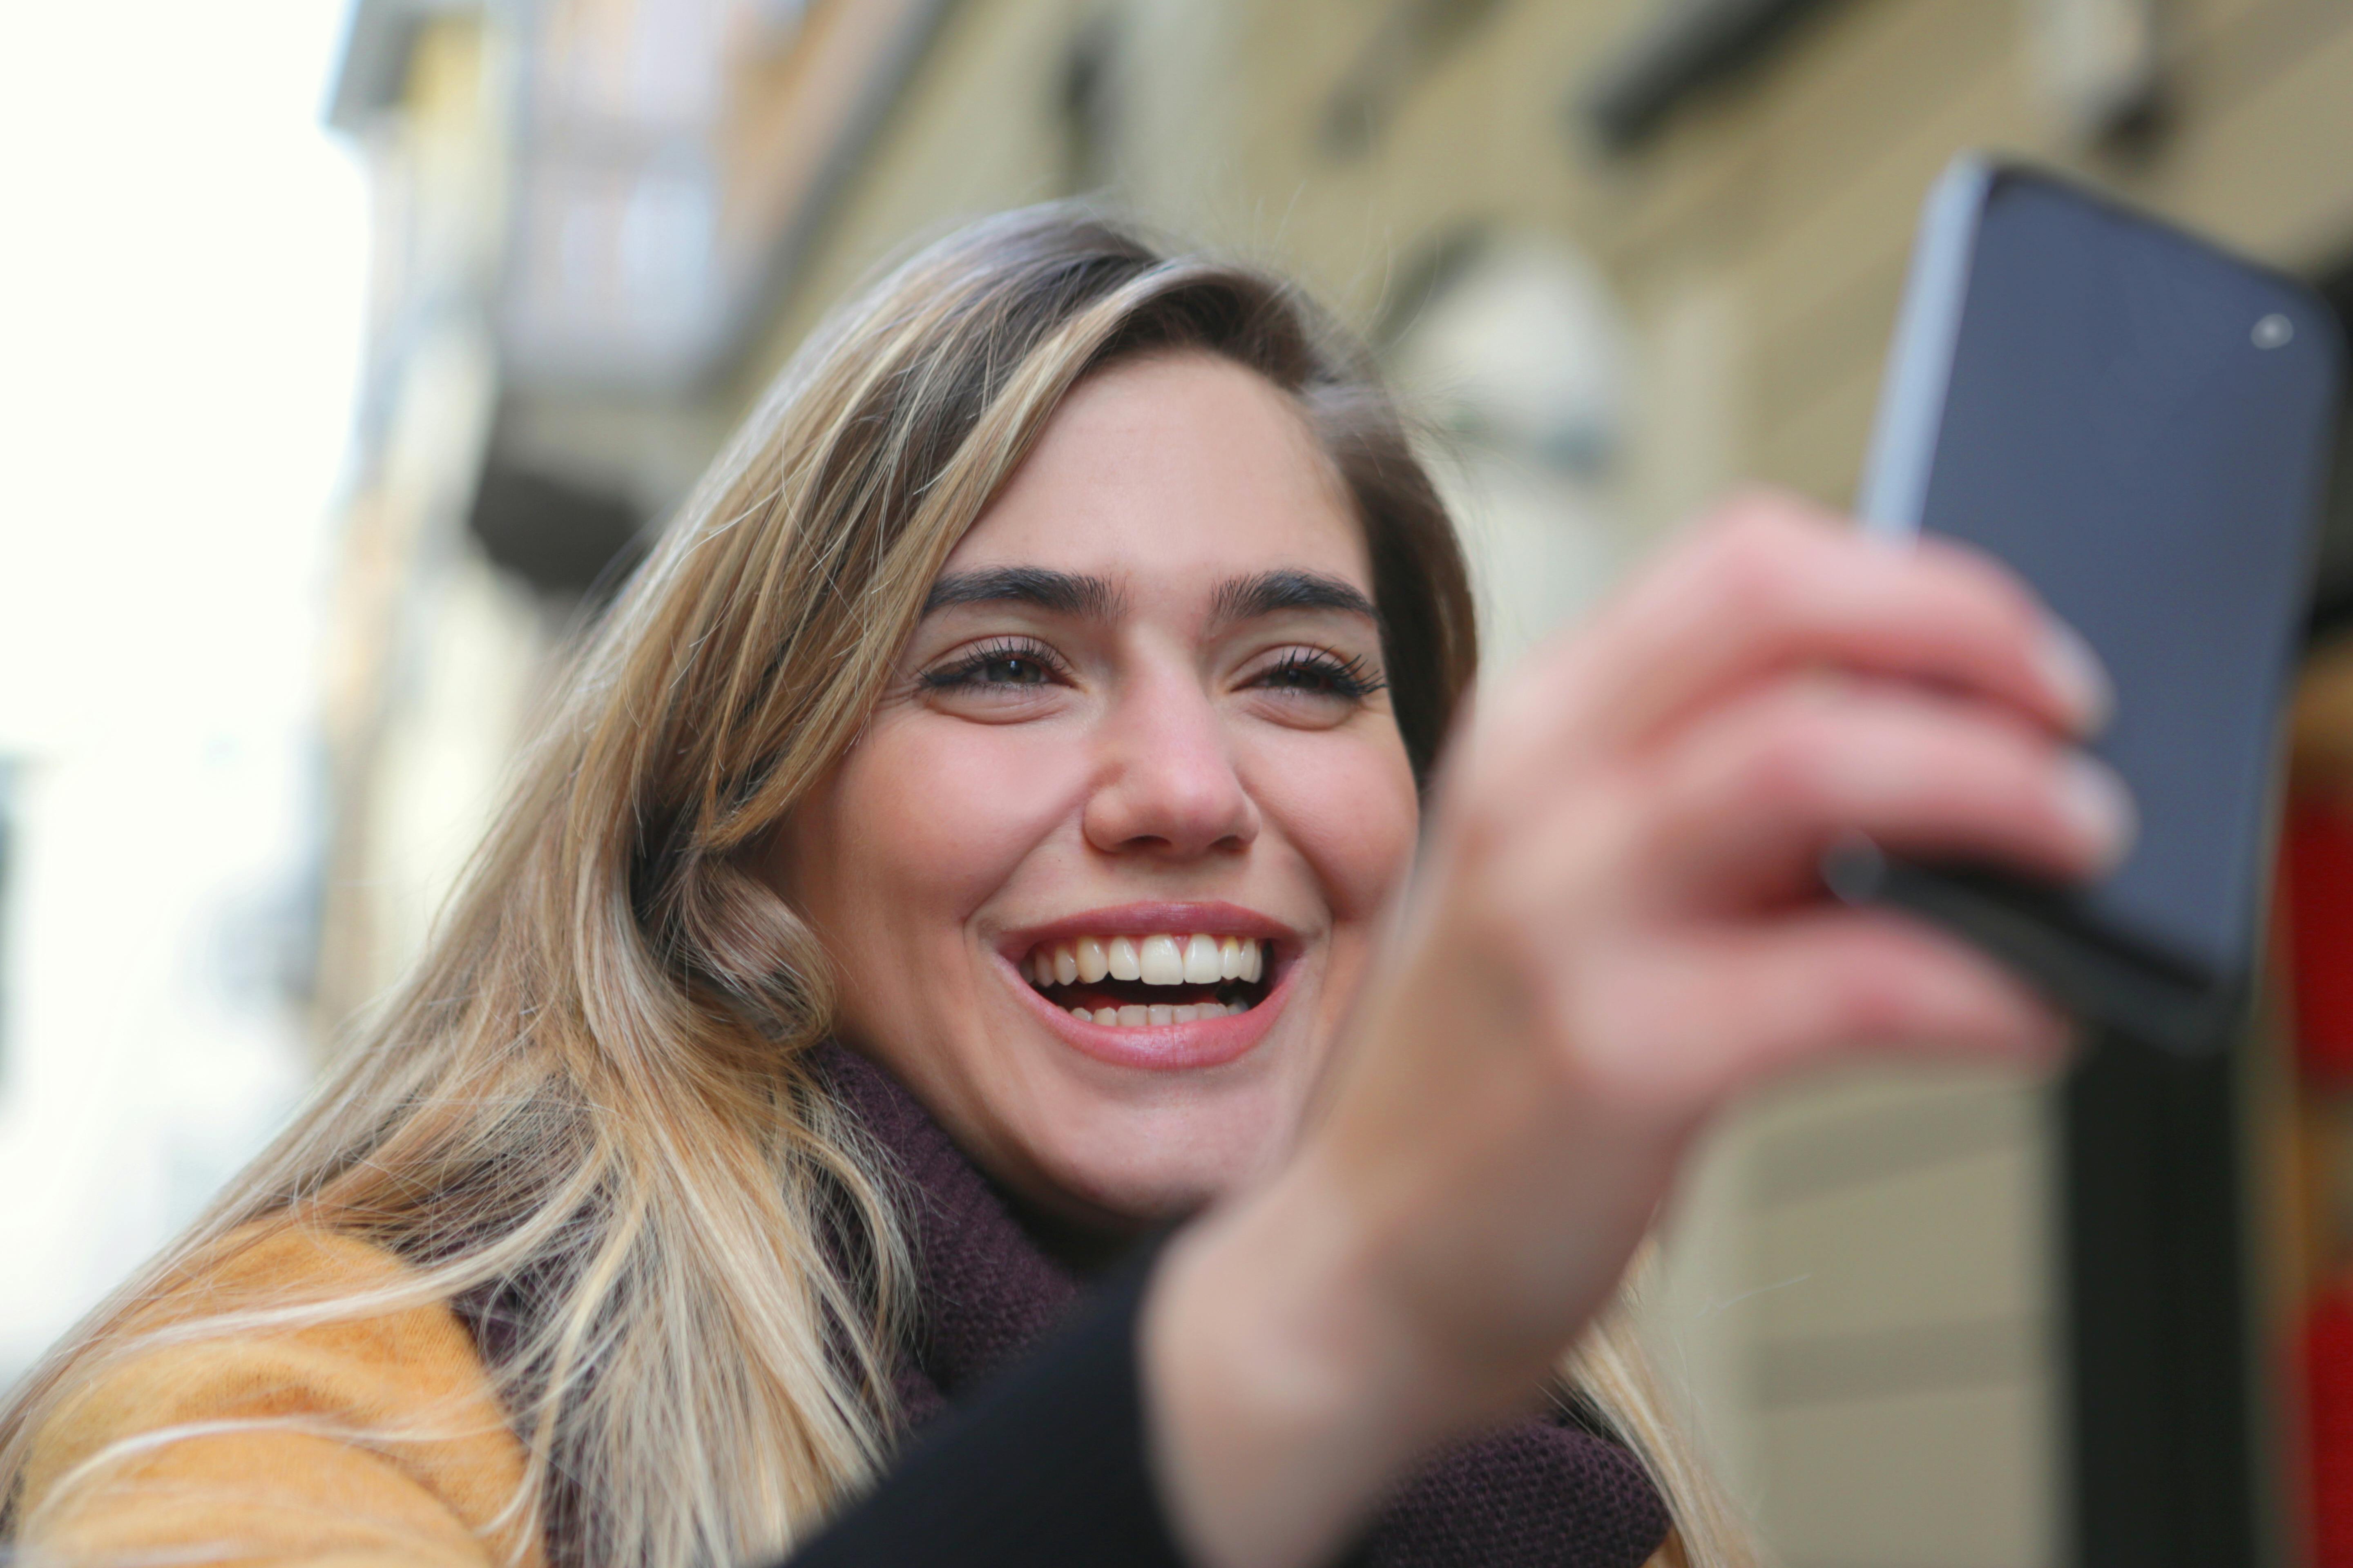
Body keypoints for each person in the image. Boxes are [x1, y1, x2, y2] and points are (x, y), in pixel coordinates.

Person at [0, 208, 2125, 1568]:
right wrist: (1326, 1331)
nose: (1190, 787)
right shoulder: (326, 1393)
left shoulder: (1565, 1494)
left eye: (1303, 673)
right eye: (1006, 665)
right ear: (744, 823)